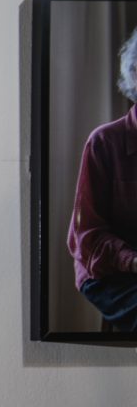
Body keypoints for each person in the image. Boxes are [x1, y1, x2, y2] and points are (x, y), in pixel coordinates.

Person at [66, 26, 137, 332]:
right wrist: (133, 261)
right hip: (108, 272)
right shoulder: (104, 141)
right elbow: (87, 237)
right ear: (134, 75)